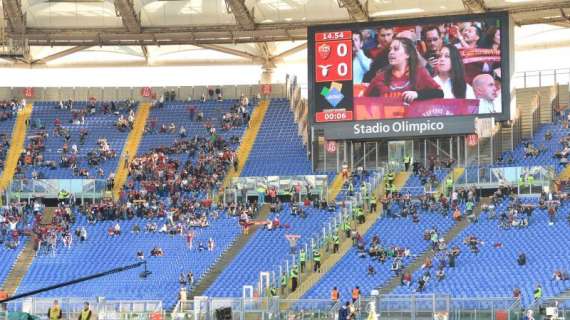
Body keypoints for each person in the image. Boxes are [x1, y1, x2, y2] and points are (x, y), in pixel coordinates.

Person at [364, 37, 443, 104]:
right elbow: (365, 100)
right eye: (390, 49)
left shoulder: (419, 72)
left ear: (407, 54)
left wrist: (417, 94)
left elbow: (439, 93)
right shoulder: (381, 76)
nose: (391, 53)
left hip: (412, 121)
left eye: (396, 49)